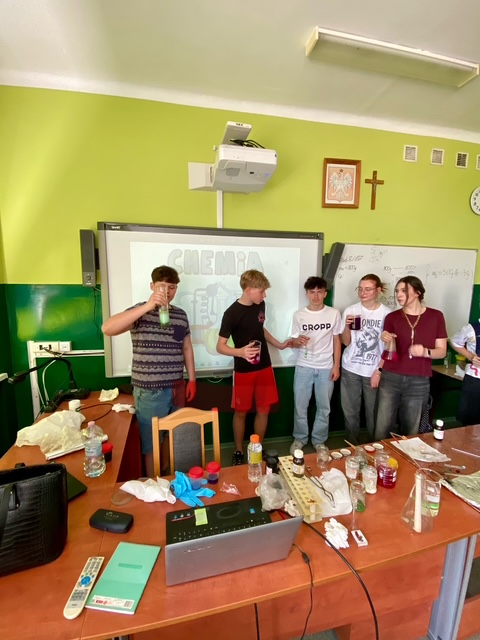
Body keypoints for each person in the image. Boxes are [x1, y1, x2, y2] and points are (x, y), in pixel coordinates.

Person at [102, 266, 196, 477]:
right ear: (152, 286)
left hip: (177, 387)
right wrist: (148, 306)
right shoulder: (139, 311)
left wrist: (192, 379)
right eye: (162, 286)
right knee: (151, 443)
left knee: (173, 437)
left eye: (172, 287)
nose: (167, 291)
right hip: (149, 390)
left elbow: (187, 348)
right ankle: (154, 483)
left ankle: (168, 477)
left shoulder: (180, 315)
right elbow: (107, 328)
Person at [216, 269, 291, 465]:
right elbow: (220, 346)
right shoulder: (231, 314)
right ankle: (239, 451)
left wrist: (279, 344)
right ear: (248, 290)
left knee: (264, 410)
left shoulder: (260, 305)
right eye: (261, 291)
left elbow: (260, 329)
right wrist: (240, 352)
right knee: (241, 412)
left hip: (264, 367)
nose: (264, 295)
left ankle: (257, 448)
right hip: (243, 371)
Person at [375, 275, 447, 439]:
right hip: (391, 377)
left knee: (411, 428)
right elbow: (389, 352)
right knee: (383, 425)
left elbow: (442, 351)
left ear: (418, 292)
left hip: (418, 379)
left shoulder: (436, 316)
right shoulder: (392, 317)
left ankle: (407, 455)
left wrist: (425, 352)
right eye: (397, 291)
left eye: (404, 290)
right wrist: (387, 339)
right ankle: (380, 455)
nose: (399, 294)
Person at [290, 276, 341, 454]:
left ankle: (319, 441)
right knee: (300, 406)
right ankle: (300, 438)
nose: (316, 296)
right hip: (304, 366)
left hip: (326, 367)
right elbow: (293, 342)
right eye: (312, 292)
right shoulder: (299, 315)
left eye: (320, 292)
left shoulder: (334, 313)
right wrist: (297, 342)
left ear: (325, 293)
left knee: (324, 407)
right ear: (307, 294)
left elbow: (337, 340)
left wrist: (336, 366)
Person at [340, 274, 391, 444]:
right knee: (350, 412)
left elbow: (390, 347)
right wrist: (347, 327)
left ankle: (373, 447)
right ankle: (351, 446)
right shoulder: (351, 310)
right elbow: (346, 342)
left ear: (378, 290)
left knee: (374, 413)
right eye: (360, 289)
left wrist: (379, 370)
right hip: (350, 367)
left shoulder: (387, 314)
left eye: (368, 289)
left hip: (373, 370)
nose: (363, 293)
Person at [450, 319, 480, 425]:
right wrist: (471, 357)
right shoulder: (472, 328)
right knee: (470, 421)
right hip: (475, 380)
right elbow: (454, 341)